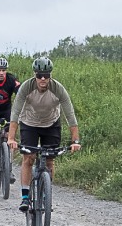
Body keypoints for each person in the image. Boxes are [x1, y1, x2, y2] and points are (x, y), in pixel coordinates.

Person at [7, 56, 81, 212]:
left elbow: (70, 115)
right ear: (35, 75)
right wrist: (11, 138)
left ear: (50, 76)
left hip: (51, 124)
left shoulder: (58, 89)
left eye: (46, 75)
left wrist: (76, 140)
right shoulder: (26, 87)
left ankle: (47, 196)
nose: (42, 79)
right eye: (39, 75)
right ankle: (25, 197)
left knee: (49, 159)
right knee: (29, 157)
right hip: (29, 123)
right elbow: (15, 113)